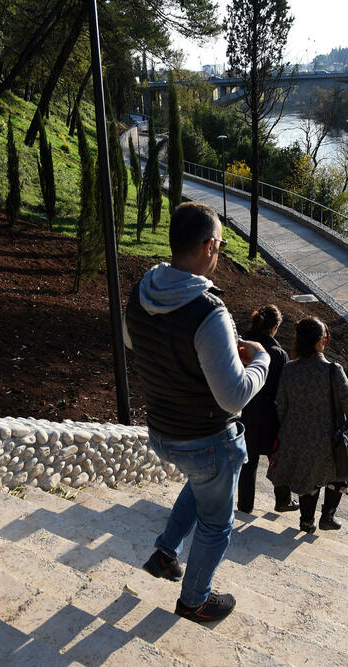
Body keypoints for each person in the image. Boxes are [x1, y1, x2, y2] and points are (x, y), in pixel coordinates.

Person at [125, 201, 270, 624]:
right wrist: (261, 359)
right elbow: (234, 397)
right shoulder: (208, 311)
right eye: (221, 244)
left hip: (161, 430)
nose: (220, 252)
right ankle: (195, 602)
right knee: (216, 523)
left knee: (203, 484)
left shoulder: (142, 291)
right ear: (208, 246)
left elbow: (135, 343)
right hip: (205, 441)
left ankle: (166, 553)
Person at [267, 317, 348, 534]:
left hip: (296, 437)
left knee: (307, 476)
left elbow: (281, 404)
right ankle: (327, 516)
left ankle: (306, 522)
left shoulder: (290, 369)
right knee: (339, 472)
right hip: (328, 438)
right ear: (323, 341)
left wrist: (290, 428)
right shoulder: (332, 370)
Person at [237, 305, 297, 514]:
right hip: (271, 413)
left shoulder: (242, 345)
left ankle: (245, 505)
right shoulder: (278, 354)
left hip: (244, 408)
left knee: (248, 461)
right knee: (277, 457)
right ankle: (283, 500)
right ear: (275, 327)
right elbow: (286, 388)